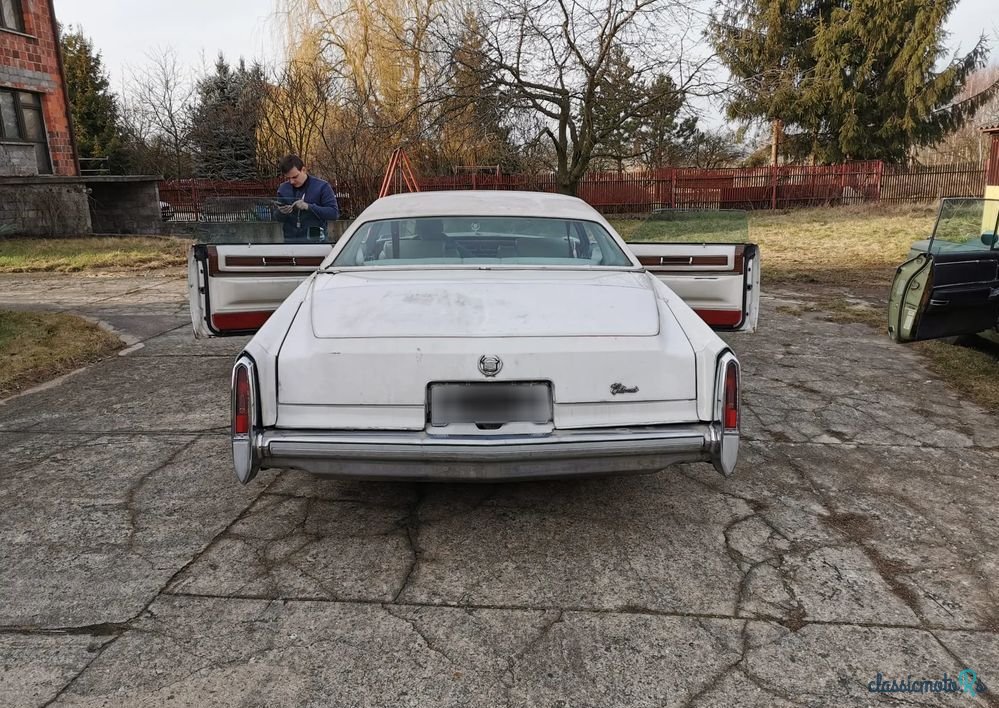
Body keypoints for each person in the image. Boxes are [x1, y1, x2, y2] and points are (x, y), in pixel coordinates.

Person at [274, 154, 340, 242]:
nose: (291, 181)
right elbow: (276, 217)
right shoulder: (283, 189)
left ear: (303, 170)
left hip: (316, 242)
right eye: (288, 178)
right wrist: (281, 212)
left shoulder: (322, 186)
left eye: (295, 177)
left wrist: (308, 207)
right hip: (291, 242)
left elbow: (333, 213)